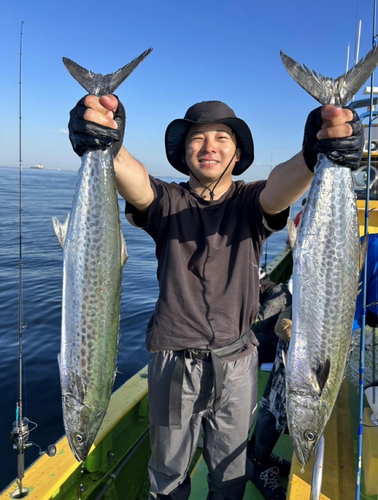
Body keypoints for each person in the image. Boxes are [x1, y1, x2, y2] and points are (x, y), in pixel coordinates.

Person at [68, 90, 364, 499]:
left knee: (230, 477)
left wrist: (315, 154)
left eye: (221, 138)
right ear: (183, 152)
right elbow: (134, 181)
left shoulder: (249, 202)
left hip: (238, 364)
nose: (209, 147)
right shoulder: (167, 201)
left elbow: (280, 187)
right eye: (197, 138)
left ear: (237, 152)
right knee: (168, 477)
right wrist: (107, 143)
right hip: (174, 364)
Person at [248, 304, 292, 500]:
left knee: (275, 399)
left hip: (316, 327)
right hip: (310, 336)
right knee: (277, 406)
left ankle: (258, 455)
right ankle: (259, 465)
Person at [252, 277, 292, 366]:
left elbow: (259, 324)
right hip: (275, 336)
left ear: (259, 286)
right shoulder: (277, 290)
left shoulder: (277, 297)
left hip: (275, 343)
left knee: (245, 341)